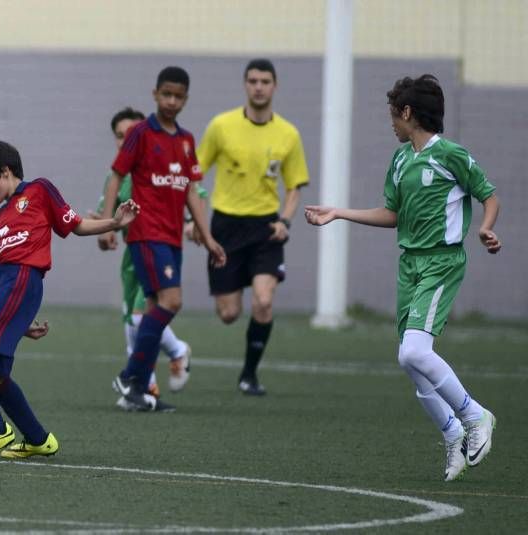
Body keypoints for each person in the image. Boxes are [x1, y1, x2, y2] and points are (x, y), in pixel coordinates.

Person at [305, 74, 500, 482]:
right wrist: (339, 212)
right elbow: (392, 215)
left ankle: (475, 416)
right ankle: (451, 434)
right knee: (409, 360)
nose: (391, 123)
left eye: (393, 114)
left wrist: (485, 227)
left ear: (407, 113)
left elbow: (489, 194)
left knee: (414, 353)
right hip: (409, 265)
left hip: (441, 263)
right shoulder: (400, 160)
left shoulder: (451, 155)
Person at [0, 140, 139, 459]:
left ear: (5, 171)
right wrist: (19, 322)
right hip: (5, 287)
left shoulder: (40, 190)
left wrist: (113, 223)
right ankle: (39, 439)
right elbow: (0, 274)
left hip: (23, 279)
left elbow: (76, 225)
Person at [99, 66, 226, 412]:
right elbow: (115, 177)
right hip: (146, 233)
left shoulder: (185, 141)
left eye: (178, 96)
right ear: (155, 94)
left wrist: (208, 236)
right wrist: (111, 224)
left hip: (172, 238)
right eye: (166, 94)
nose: (171, 101)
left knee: (154, 309)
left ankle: (137, 390)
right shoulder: (140, 133)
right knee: (172, 301)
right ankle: (131, 376)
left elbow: (189, 192)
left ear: (186, 99)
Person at [196, 58, 309, 396]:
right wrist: (194, 220)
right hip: (225, 228)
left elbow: (294, 186)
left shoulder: (288, 134)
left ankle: (249, 374)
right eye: (253, 81)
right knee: (229, 313)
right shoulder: (221, 126)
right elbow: (194, 176)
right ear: (245, 85)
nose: (259, 87)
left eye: (265, 81)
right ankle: (233, 296)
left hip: (265, 228)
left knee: (263, 301)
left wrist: (285, 221)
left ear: (274, 86)